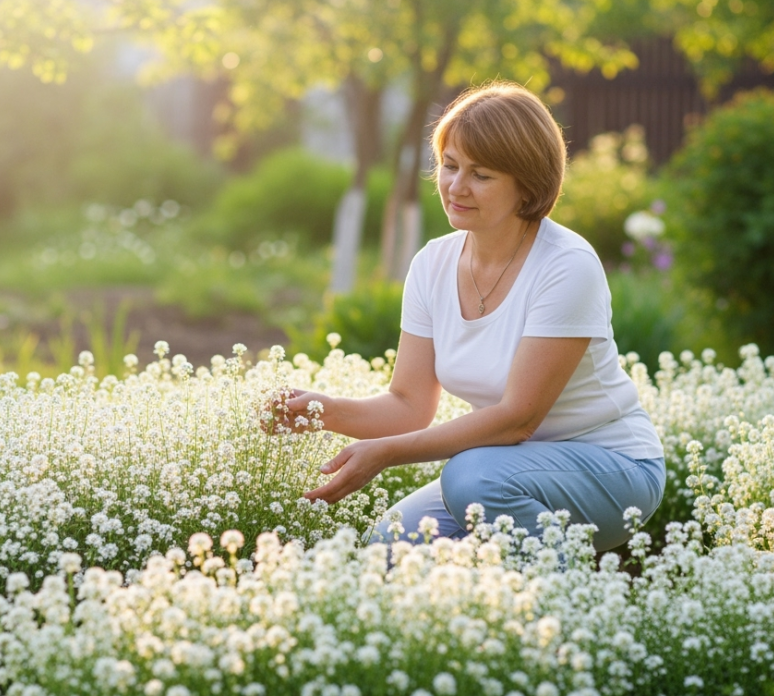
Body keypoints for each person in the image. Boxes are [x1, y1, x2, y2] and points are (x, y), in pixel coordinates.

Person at [273, 81, 664, 552]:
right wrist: (325, 410)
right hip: (508, 469)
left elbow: (518, 419)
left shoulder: (567, 265)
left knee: (470, 477)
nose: (456, 187)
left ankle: (561, 608)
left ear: (528, 184)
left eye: (481, 175)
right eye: (449, 166)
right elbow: (409, 404)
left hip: (612, 469)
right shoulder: (432, 263)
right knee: (389, 546)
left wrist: (385, 454)